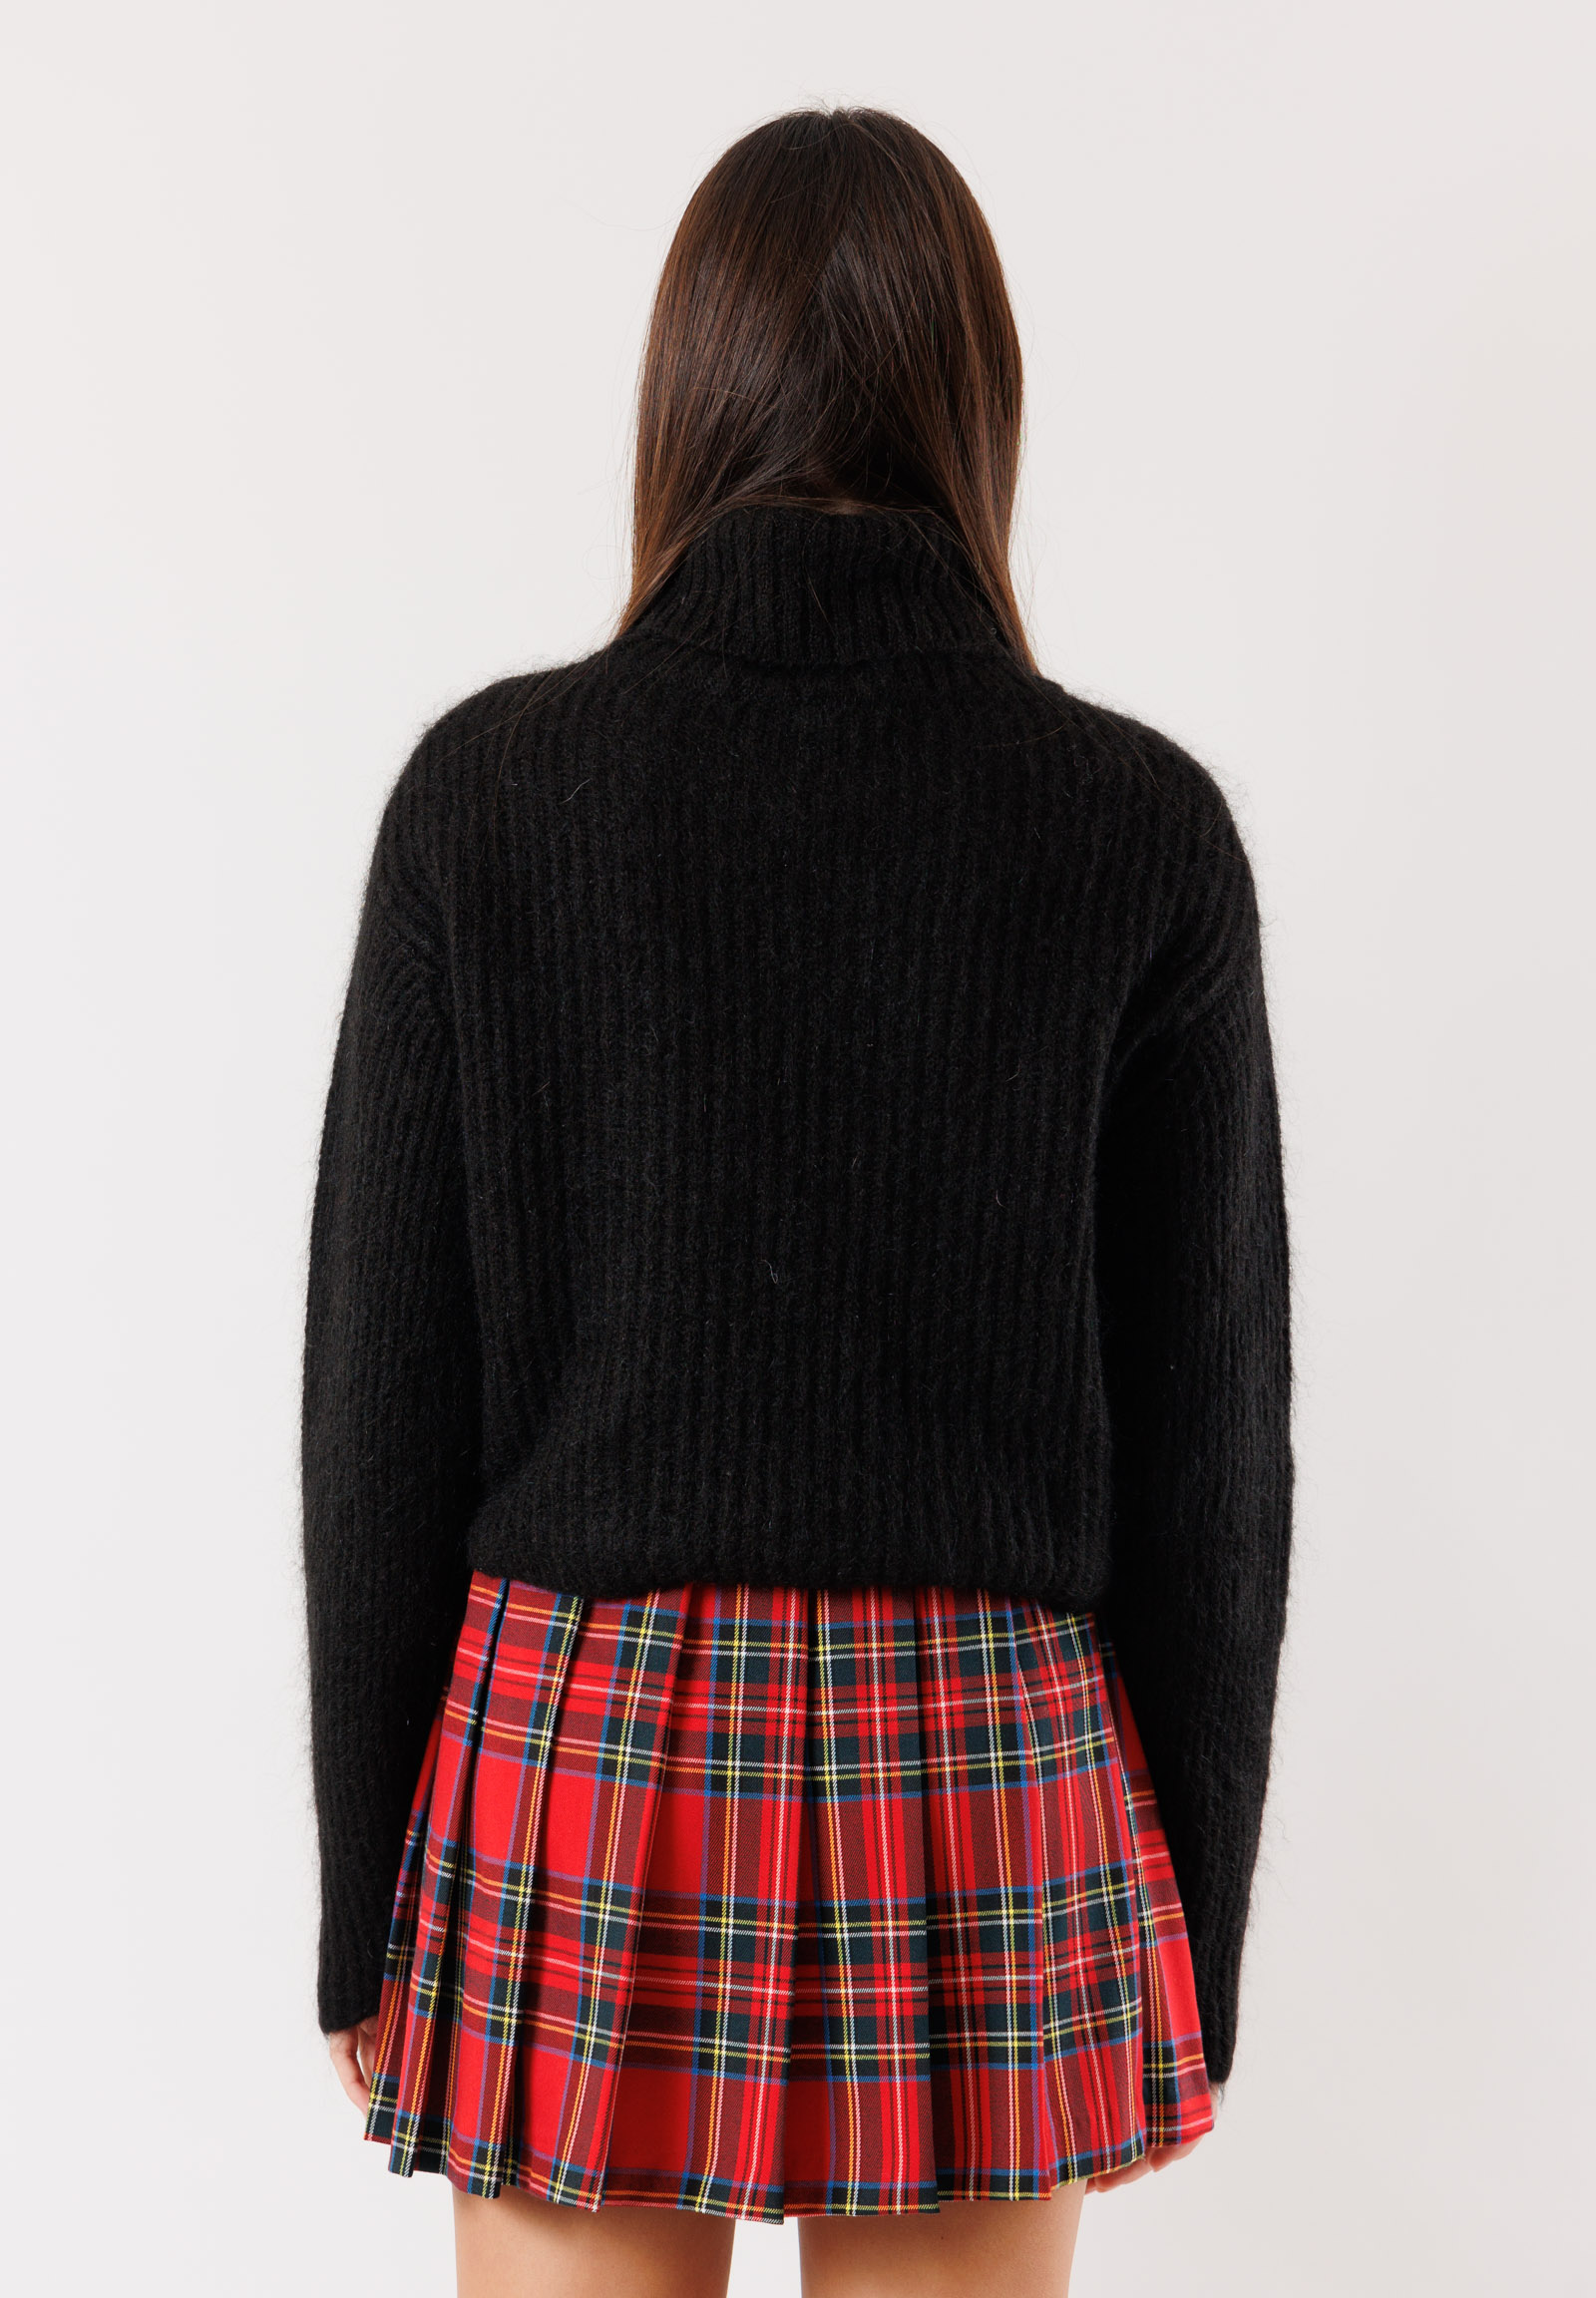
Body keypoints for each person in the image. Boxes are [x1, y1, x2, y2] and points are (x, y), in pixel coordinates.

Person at [303, 106, 1293, 2298]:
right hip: (992, 1770)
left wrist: (363, 1912)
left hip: (579, 1741)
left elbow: (379, 1410)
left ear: (686, 391)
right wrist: (1182, 1949)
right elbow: (1213, 1460)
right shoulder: (1136, 829)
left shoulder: (487, 798)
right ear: (979, 402)